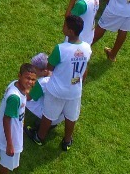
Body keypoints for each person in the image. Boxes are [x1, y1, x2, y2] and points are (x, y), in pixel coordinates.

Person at [31, 14, 92, 151]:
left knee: (48, 115)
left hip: (57, 90)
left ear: (70, 32)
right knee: (71, 116)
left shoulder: (60, 48)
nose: (62, 27)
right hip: (75, 90)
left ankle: (39, 137)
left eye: (65, 26)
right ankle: (67, 141)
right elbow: (85, 70)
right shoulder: (87, 48)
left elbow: (50, 67)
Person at [0, 62, 39, 174]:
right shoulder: (15, 98)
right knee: (6, 162)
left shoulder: (15, 84)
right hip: (11, 135)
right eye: (27, 78)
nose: (30, 82)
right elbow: (7, 119)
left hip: (2, 129)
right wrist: (10, 144)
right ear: (19, 76)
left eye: (33, 79)